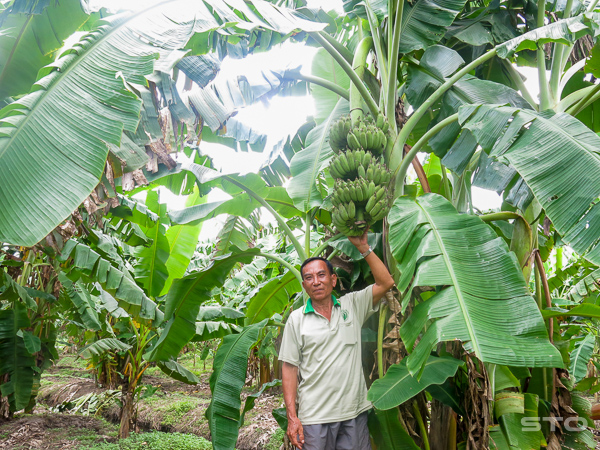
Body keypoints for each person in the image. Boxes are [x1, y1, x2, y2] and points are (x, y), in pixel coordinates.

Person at [279, 229, 395, 450]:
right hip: (314, 418)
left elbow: (386, 282)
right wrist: (292, 418)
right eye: (309, 278)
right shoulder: (296, 320)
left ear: (333, 279)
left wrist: (363, 248)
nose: (316, 282)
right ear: (304, 285)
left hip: (354, 414)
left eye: (321, 275)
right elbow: (289, 368)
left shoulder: (352, 305)